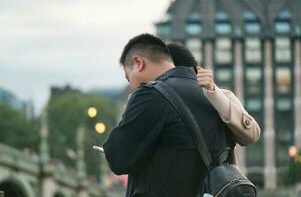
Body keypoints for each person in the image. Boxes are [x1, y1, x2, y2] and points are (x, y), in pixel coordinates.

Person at [103, 33, 235, 197]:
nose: (132, 86)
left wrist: (130, 108)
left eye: (128, 77)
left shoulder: (150, 95)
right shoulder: (212, 95)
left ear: (139, 62)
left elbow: (118, 158)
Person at [167, 43, 261, 149]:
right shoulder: (155, 97)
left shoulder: (221, 95)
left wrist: (213, 93)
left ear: (198, 70)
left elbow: (252, 135)